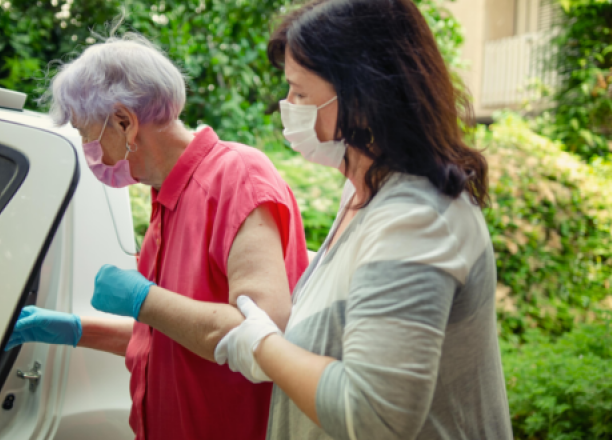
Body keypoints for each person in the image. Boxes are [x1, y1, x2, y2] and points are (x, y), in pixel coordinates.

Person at [214, 0, 514, 439]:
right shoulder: (362, 195)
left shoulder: (415, 220)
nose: (287, 106)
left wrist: (263, 345)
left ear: (363, 97)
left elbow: (374, 415)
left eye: (300, 94)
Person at [6, 33, 309, 440]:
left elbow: (259, 334)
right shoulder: (165, 197)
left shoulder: (237, 176)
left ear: (124, 121)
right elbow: (171, 336)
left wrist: (143, 299)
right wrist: (77, 330)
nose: (86, 147)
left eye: (85, 132)